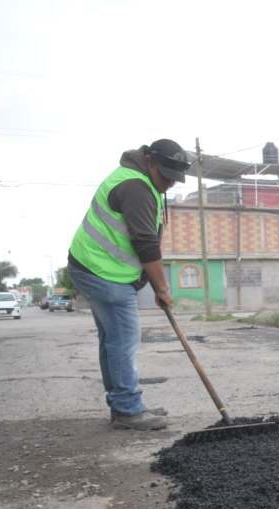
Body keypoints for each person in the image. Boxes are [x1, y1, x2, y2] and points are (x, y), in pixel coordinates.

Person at [67, 139, 191, 431]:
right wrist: (162, 288)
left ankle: (123, 405)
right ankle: (127, 410)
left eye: (176, 178)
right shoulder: (136, 187)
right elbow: (146, 244)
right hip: (102, 272)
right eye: (166, 175)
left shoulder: (139, 180)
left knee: (112, 340)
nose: (170, 183)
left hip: (95, 268)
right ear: (149, 160)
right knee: (122, 339)